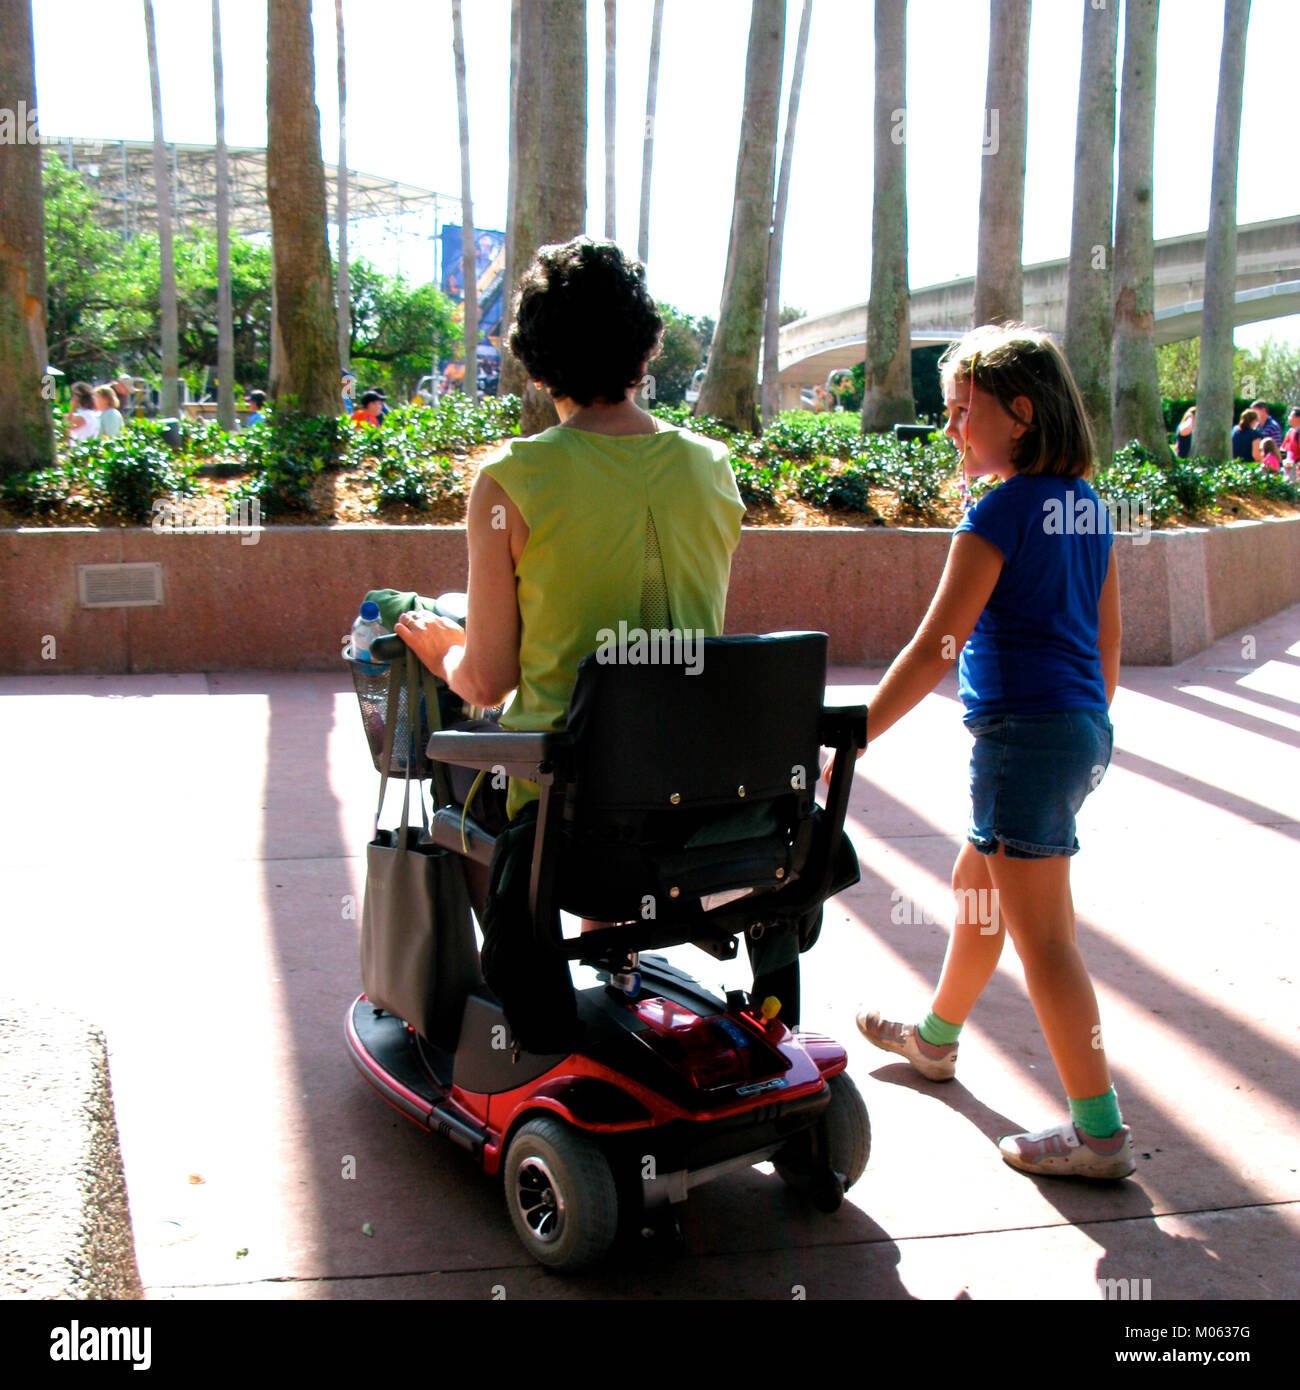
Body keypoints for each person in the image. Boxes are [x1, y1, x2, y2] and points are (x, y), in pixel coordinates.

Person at [838, 322, 1132, 1180]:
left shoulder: (998, 510)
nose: (952, 429)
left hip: (1023, 742)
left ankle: (1099, 1132)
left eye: (964, 410)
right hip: (1077, 735)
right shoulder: (1088, 508)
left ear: (1021, 413)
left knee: (1046, 943)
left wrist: (853, 734)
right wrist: (1076, 735)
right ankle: (936, 1041)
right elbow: (1108, 649)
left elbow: (937, 647)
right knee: (978, 886)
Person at [393, 235, 745, 904]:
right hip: (697, 806)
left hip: (566, 820)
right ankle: (617, 959)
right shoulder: (711, 467)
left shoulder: (510, 481)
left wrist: (445, 654)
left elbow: (490, 680)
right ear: (646, 353)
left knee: (453, 759)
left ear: (534, 365)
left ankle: (518, 981)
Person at [1282, 407, 1300, 481]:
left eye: (1291, 416)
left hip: (1296, 468)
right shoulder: (1290, 431)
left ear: (1298, 418)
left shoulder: (1298, 432)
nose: (1289, 418)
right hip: (1287, 468)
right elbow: (1284, 448)